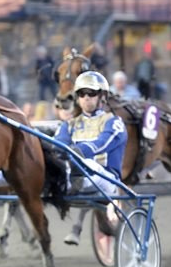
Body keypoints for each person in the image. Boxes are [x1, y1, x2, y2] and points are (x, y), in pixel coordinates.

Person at [54, 72, 127, 245]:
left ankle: (74, 179)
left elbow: (102, 143)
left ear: (102, 96)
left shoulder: (113, 122)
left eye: (91, 93)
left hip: (107, 180)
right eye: (81, 94)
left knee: (86, 164)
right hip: (78, 176)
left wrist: (76, 152)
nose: (86, 97)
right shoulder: (69, 125)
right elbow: (58, 146)